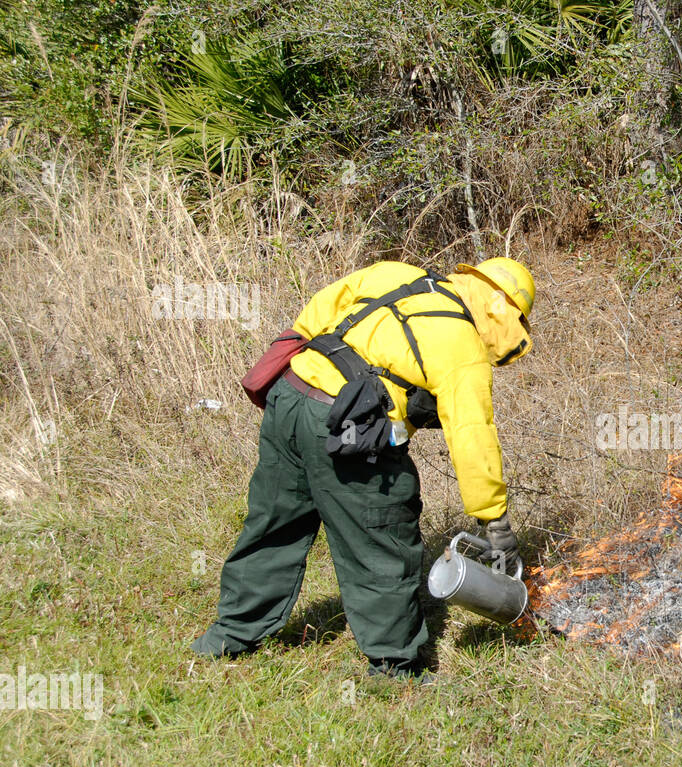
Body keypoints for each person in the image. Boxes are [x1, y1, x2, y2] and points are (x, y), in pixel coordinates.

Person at [193, 257, 535, 680]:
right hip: (344, 431)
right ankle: (395, 668)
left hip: (291, 396)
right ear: (502, 310)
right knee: (382, 538)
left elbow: (317, 311)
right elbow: (472, 438)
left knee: (274, 522)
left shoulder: (396, 273)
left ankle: (229, 635)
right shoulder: (462, 347)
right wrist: (494, 521)